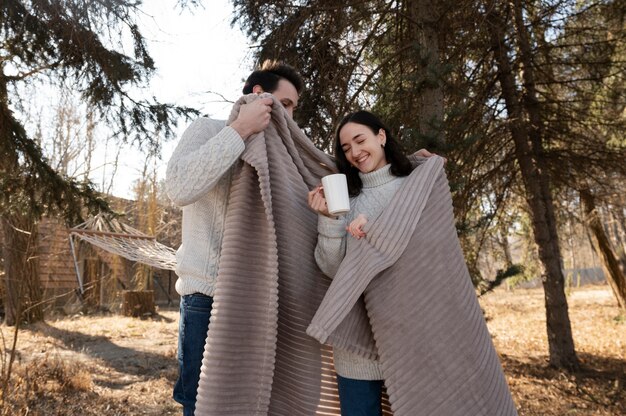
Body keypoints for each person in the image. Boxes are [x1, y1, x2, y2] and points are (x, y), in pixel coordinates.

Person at [165, 60, 304, 416]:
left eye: (294, 109)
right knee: (201, 408)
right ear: (258, 94)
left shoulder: (284, 156)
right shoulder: (208, 129)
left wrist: (406, 167)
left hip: (260, 305)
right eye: (285, 105)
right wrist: (240, 130)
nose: (290, 117)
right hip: (206, 301)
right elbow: (180, 188)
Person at [307, 110, 421, 415]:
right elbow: (334, 271)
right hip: (356, 347)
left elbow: (428, 255)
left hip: (410, 338)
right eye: (346, 148)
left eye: (360, 140)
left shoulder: (416, 186)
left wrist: (377, 235)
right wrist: (330, 220)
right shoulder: (346, 198)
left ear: (381, 136)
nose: (355, 153)